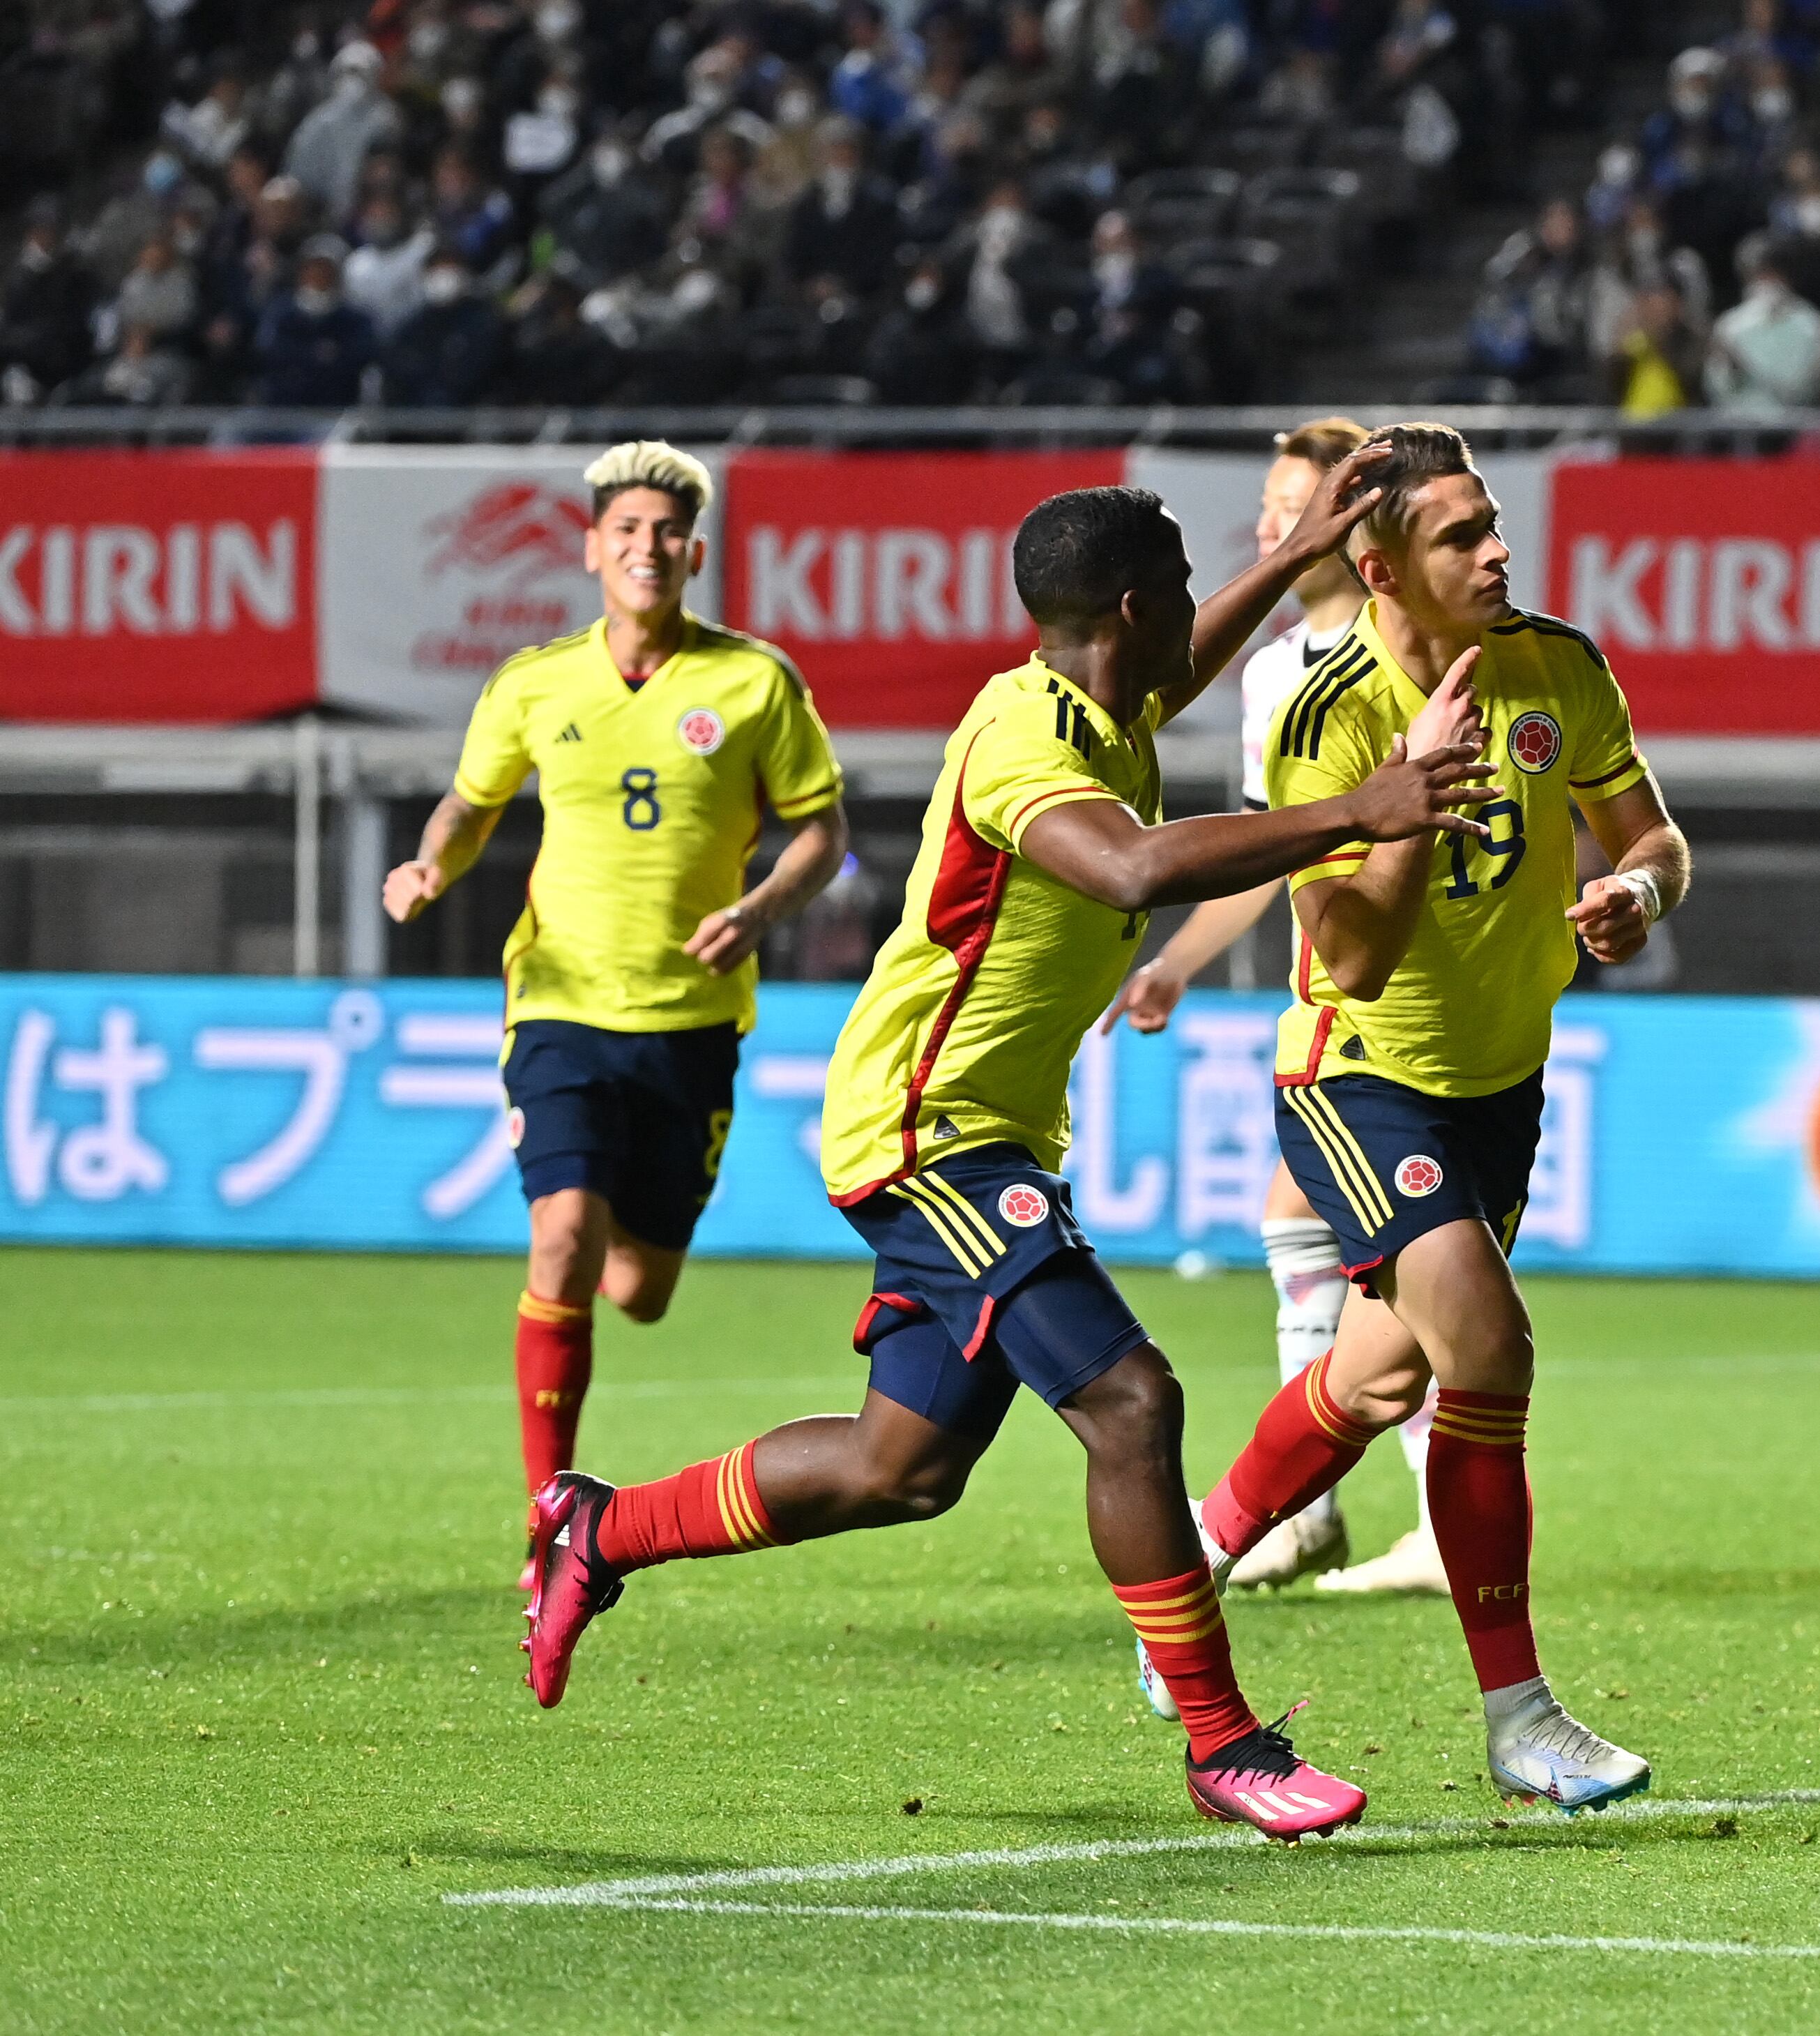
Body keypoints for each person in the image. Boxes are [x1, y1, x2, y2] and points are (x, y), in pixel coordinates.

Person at [520, 471, 1504, 1842]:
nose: (1189, 607)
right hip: (929, 1131)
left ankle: (596, 1526)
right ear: (1126, 608)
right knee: (1132, 1402)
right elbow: (1130, 870)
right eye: (1176, 576)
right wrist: (1362, 809)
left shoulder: (1106, 698)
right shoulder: (1023, 740)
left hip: (974, 1128)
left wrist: (1292, 557)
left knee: (897, 1465)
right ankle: (1224, 1745)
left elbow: (1190, 654)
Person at [1170, 423, 1693, 1814]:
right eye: (1462, 535)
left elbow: (1655, 834)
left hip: (1501, 1083)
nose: (1499, 549)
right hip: (1358, 1073)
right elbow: (1346, 958)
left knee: (1377, 1378)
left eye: (1495, 521)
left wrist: (1639, 892)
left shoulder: (1559, 665)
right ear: (1382, 562)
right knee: (1489, 1343)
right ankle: (1521, 1715)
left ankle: (1193, 1546)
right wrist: (1408, 791)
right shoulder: (1324, 708)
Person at [381, 444, 850, 1597]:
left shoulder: (754, 684)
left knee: (637, 1291)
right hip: (559, 1001)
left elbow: (821, 832)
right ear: (592, 548)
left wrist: (759, 908)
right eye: (625, 530)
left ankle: (593, 1274)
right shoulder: (536, 683)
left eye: (666, 532)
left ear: (696, 552)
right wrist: (431, 866)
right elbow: (469, 801)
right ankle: (552, 1517)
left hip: (692, 1023)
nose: (646, 548)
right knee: (562, 1239)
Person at [1102, 416, 1461, 1602]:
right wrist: (1177, 962)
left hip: (1407, 997)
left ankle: (1381, 1520)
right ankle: (1315, 1516)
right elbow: (1274, 850)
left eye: (1292, 503)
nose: (1269, 525)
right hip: (1327, 997)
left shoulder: (1397, 649)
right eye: (1265, 505)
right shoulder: (1270, 670)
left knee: (1411, 1278)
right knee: (1309, 1227)